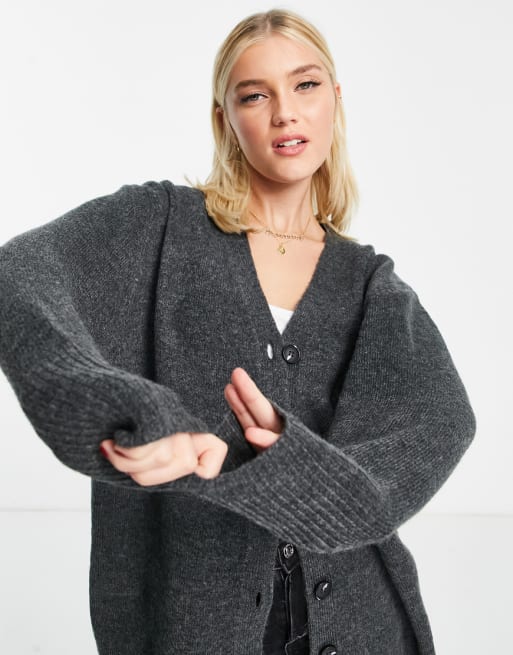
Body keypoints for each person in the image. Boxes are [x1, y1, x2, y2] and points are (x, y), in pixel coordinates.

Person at [0, 8, 475, 655]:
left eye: (305, 85)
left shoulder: (370, 286)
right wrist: (138, 414)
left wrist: (276, 460)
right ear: (224, 119)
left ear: (335, 100)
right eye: (255, 95)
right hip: (194, 621)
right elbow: (19, 280)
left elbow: (435, 428)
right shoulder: (159, 228)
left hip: (363, 623)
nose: (285, 113)